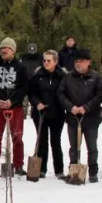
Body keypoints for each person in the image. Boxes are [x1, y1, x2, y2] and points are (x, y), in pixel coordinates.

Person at [57, 50, 102, 183]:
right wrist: (71, 107)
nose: (78, 64)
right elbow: (61, 94)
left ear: (88, 62)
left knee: (92, 146)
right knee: (74, 147)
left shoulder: (95, 78)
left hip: (91, 118)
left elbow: (100, 94)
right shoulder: (68, 77)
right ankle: (74, 169)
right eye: (76, 61)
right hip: (73, 118)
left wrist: (86, 107)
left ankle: (93, 172)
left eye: (81, 61)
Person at [0, 37, 29, 177]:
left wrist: (14, 101)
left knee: (17, 137)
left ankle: (18, 165)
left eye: (7, 48)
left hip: (15, 108)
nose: (4, 50)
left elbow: (24, 87)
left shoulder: (21, 67)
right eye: (2, 48)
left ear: (13, 51)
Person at [26, 49, 66, 180]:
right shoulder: (38, 75)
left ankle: (59, 170)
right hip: (40, 113)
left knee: (56, 141)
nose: (46, 63)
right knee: (42, 140)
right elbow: (31, 92)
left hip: (57, 113)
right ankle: (41, 169)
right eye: (44, 60)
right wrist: (37, 103)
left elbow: (65, 93)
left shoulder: (62, 75)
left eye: (49, 60)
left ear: (55, 61)